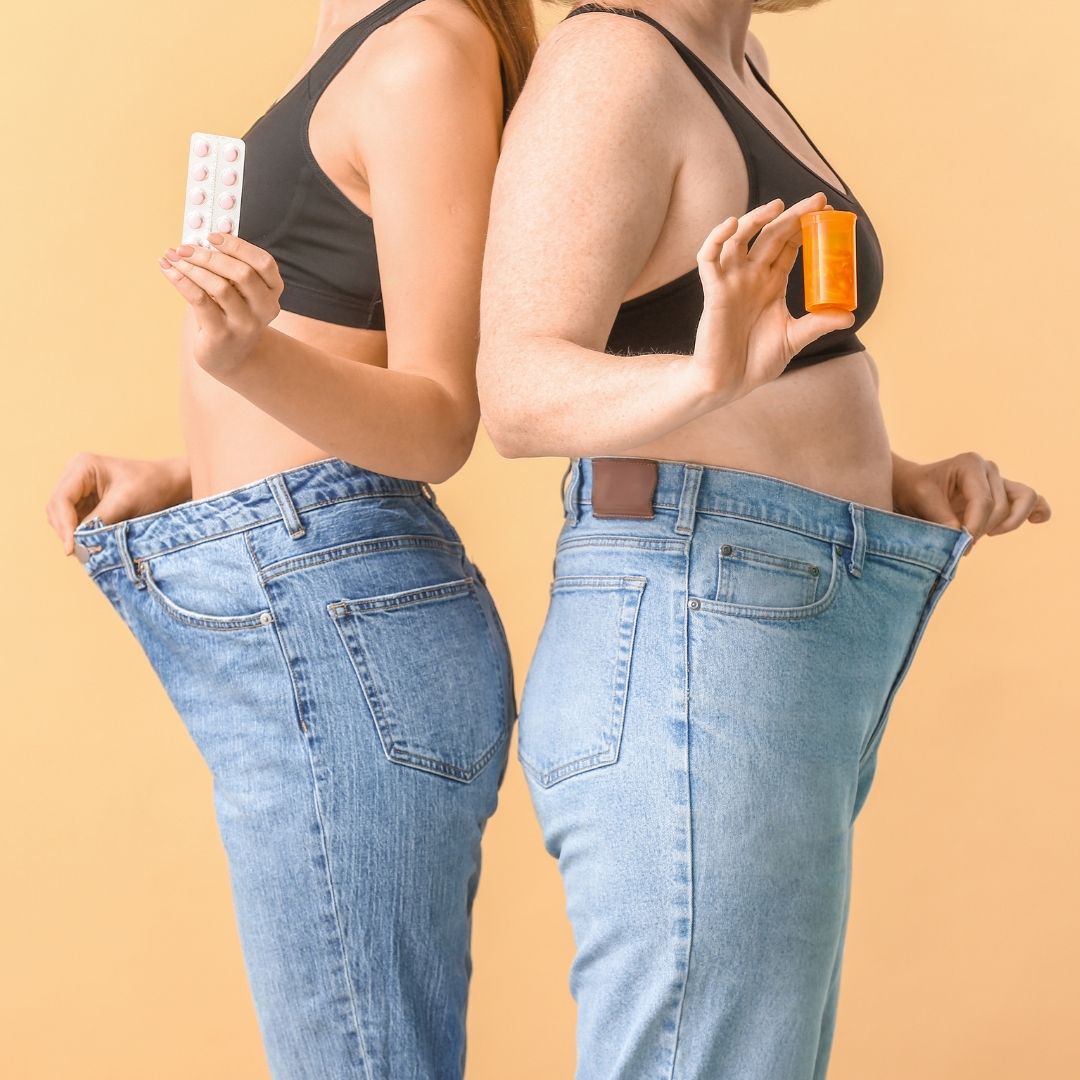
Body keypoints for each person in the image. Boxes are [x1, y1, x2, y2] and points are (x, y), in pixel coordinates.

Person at [476, 1, 1051, 1077]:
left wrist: (900, 481)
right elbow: (514, 390)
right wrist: (705, 376)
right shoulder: (614, 60)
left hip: (768, 626)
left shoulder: (732, 60)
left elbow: (766, 381)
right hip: (703, 628)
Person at [45, 1, 536, 1076]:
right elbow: (345, 374)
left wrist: (247, 361)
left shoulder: (426, 47)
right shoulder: (356, 29)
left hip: (335, 611)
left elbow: (442, 419)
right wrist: (185, 475)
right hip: (313, 596)